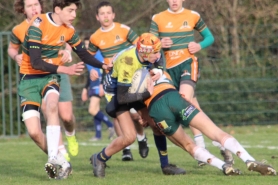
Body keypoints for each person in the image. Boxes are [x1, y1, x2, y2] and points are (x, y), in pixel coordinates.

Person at [17, 0, 111, 179]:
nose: (74, 15)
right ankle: (63, 162)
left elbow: (83, 54)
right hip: (29, 79)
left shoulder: (69, 30)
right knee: (35, 133)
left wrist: (104, 65)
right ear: (58, 9)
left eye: (75, 11)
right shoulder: (38, 25)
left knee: (52, 105)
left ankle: (52, 158)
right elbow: (36, 63)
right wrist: (66, 69)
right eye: (70, 10)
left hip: (50, 77)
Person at [133, 70, 277, 176]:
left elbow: (141, 115)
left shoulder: (132, 81)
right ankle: (249, 160)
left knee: (188, 145)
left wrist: (142, 118)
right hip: (173, 97)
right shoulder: (161, 71)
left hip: (157, 110)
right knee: (216, 133)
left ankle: (223, 166)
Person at [149, 0, 233, 166]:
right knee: (192, 106)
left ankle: (202, 144)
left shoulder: (193, 16)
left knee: (184, 100)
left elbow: (209, 37)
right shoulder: (157, 18)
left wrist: (199, 45)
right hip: (167, 71)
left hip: (188, 64)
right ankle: (220, 143)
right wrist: (159, 44)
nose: (174, 1)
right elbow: (148, 45)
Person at [90, 33, 185, 178]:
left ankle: (165, 165)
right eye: (155, 52)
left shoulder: (147, 53)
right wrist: (147, 94)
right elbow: (122, 98)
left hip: (133, 89)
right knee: (129, 137)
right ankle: (99, 158)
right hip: (117, 93)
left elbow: (157, 61)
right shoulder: (127, 62)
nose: (158, 54)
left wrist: (157, 70)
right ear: (145, 53)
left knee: (156, 124)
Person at [8, 0, 79, 163]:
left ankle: (71, 135)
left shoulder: (55, 21)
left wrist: (68, 51)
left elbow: (71, 39)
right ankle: (59, 152)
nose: (33, 8)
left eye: (36, 5)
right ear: (23, 10)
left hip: (57, 71)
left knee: (67, 116)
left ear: (41, 7)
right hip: (33, 76)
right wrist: (15, 55)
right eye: (29, 6)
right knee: (49, 108)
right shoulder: (19, 30)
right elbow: (12, 48)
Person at [87, 1, 150, 161]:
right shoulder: (95, 37)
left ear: (113, 15)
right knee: (118, 116)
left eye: (108, 13)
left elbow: (140, 46)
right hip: (111, 81)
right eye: (102, 13)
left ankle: (141, 139)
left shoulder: (124, 30)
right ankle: (126, 149)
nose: (106, 16)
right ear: (97, 17)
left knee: (135, 116)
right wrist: (93, 70)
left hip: (130, 78)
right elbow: (89, 57)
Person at [81, 38, 115, 141]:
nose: (87, 47)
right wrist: (85, 88)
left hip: (99, 86)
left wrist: (102, 84)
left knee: (92, 110)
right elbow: (90, 74)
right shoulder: (87, 58)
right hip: (92, 86)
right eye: (85, 45)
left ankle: (110, 125)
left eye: (89, 45)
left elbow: (105, 69)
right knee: (96, 110)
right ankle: (98, 135)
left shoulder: (100, 55)